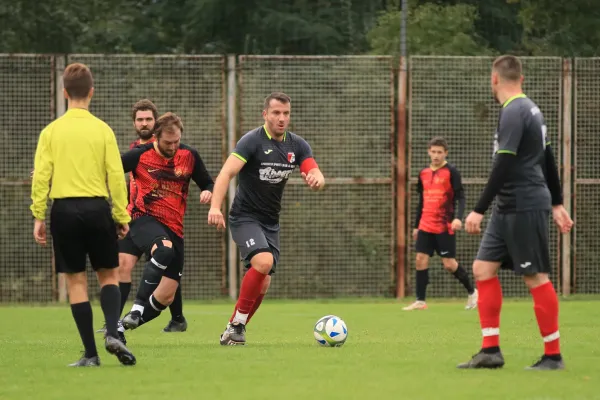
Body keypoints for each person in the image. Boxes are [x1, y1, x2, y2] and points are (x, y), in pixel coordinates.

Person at [458, 55, 573, 370]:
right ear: (520, 78)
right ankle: (490, 351)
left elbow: (504, 163)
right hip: (508, 206)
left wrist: (478, 210)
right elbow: (548, 158)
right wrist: (558, 203)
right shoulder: (532, 109)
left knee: (535, 277)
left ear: (494, 79)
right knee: (482, 268)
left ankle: (553, 356)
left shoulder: (515, 112)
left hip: (523, 205)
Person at [30, 62, 136, 367]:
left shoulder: (51, 132)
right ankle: (113, 332)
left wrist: (38, 214)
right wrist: (121, 215)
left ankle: (91, 354)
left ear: (65, 93)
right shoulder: (102, 130)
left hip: (63, 211)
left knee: (76, 282)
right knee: (109, 275)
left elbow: (41, 176)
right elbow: (116, 175)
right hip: (96, 208)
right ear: (91, 92)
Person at [208, 92, 325, 346]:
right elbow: (227, 173)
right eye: (276, 113)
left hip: (270, 222)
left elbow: (314, 171)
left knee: (263, 283)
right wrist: (215, 207)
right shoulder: (252, 141)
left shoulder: (297, 145)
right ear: (265, 114)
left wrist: (317, 180)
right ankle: (237, 324)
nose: (281, 118)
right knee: (263, 262)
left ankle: (232, 329)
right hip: (244, 217)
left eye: (286, 113)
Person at [118, 112, 214, 336]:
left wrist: (208, 191)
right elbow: (107, 169)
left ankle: (119, 328)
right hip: (143, 219)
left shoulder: (189, 155)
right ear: (156, 137)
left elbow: (206, 180)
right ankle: (136, 308)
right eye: (167, 142)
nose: (173, 147)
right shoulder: (139, 155)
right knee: (162, 250)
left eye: (177, 141)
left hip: (175, 229)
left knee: (166, 296)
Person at [115, 99, 189, 333]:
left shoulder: (172, 149)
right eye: (140, 119)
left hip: (161, 220)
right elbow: (112, 171)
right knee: (122, 265)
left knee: (165, 262)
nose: (144, 123)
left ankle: (176, 317)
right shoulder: (135, 151)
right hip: (134, 217)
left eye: (148, 119)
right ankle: (114, 321)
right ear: (134, 123)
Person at [403, 137, 477, 311]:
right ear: (428, 152)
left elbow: (460, 196)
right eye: (433, 152)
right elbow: (421, 201)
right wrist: (416, 225)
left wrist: (458, 217)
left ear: (446, 153)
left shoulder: (451, 172)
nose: (436, 155)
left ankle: (473, 292)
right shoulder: (423, 173)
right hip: (425, 225)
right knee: (420, 259)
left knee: (449, 264)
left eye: (439, 152)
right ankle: (420, 301)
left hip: (444, 225)